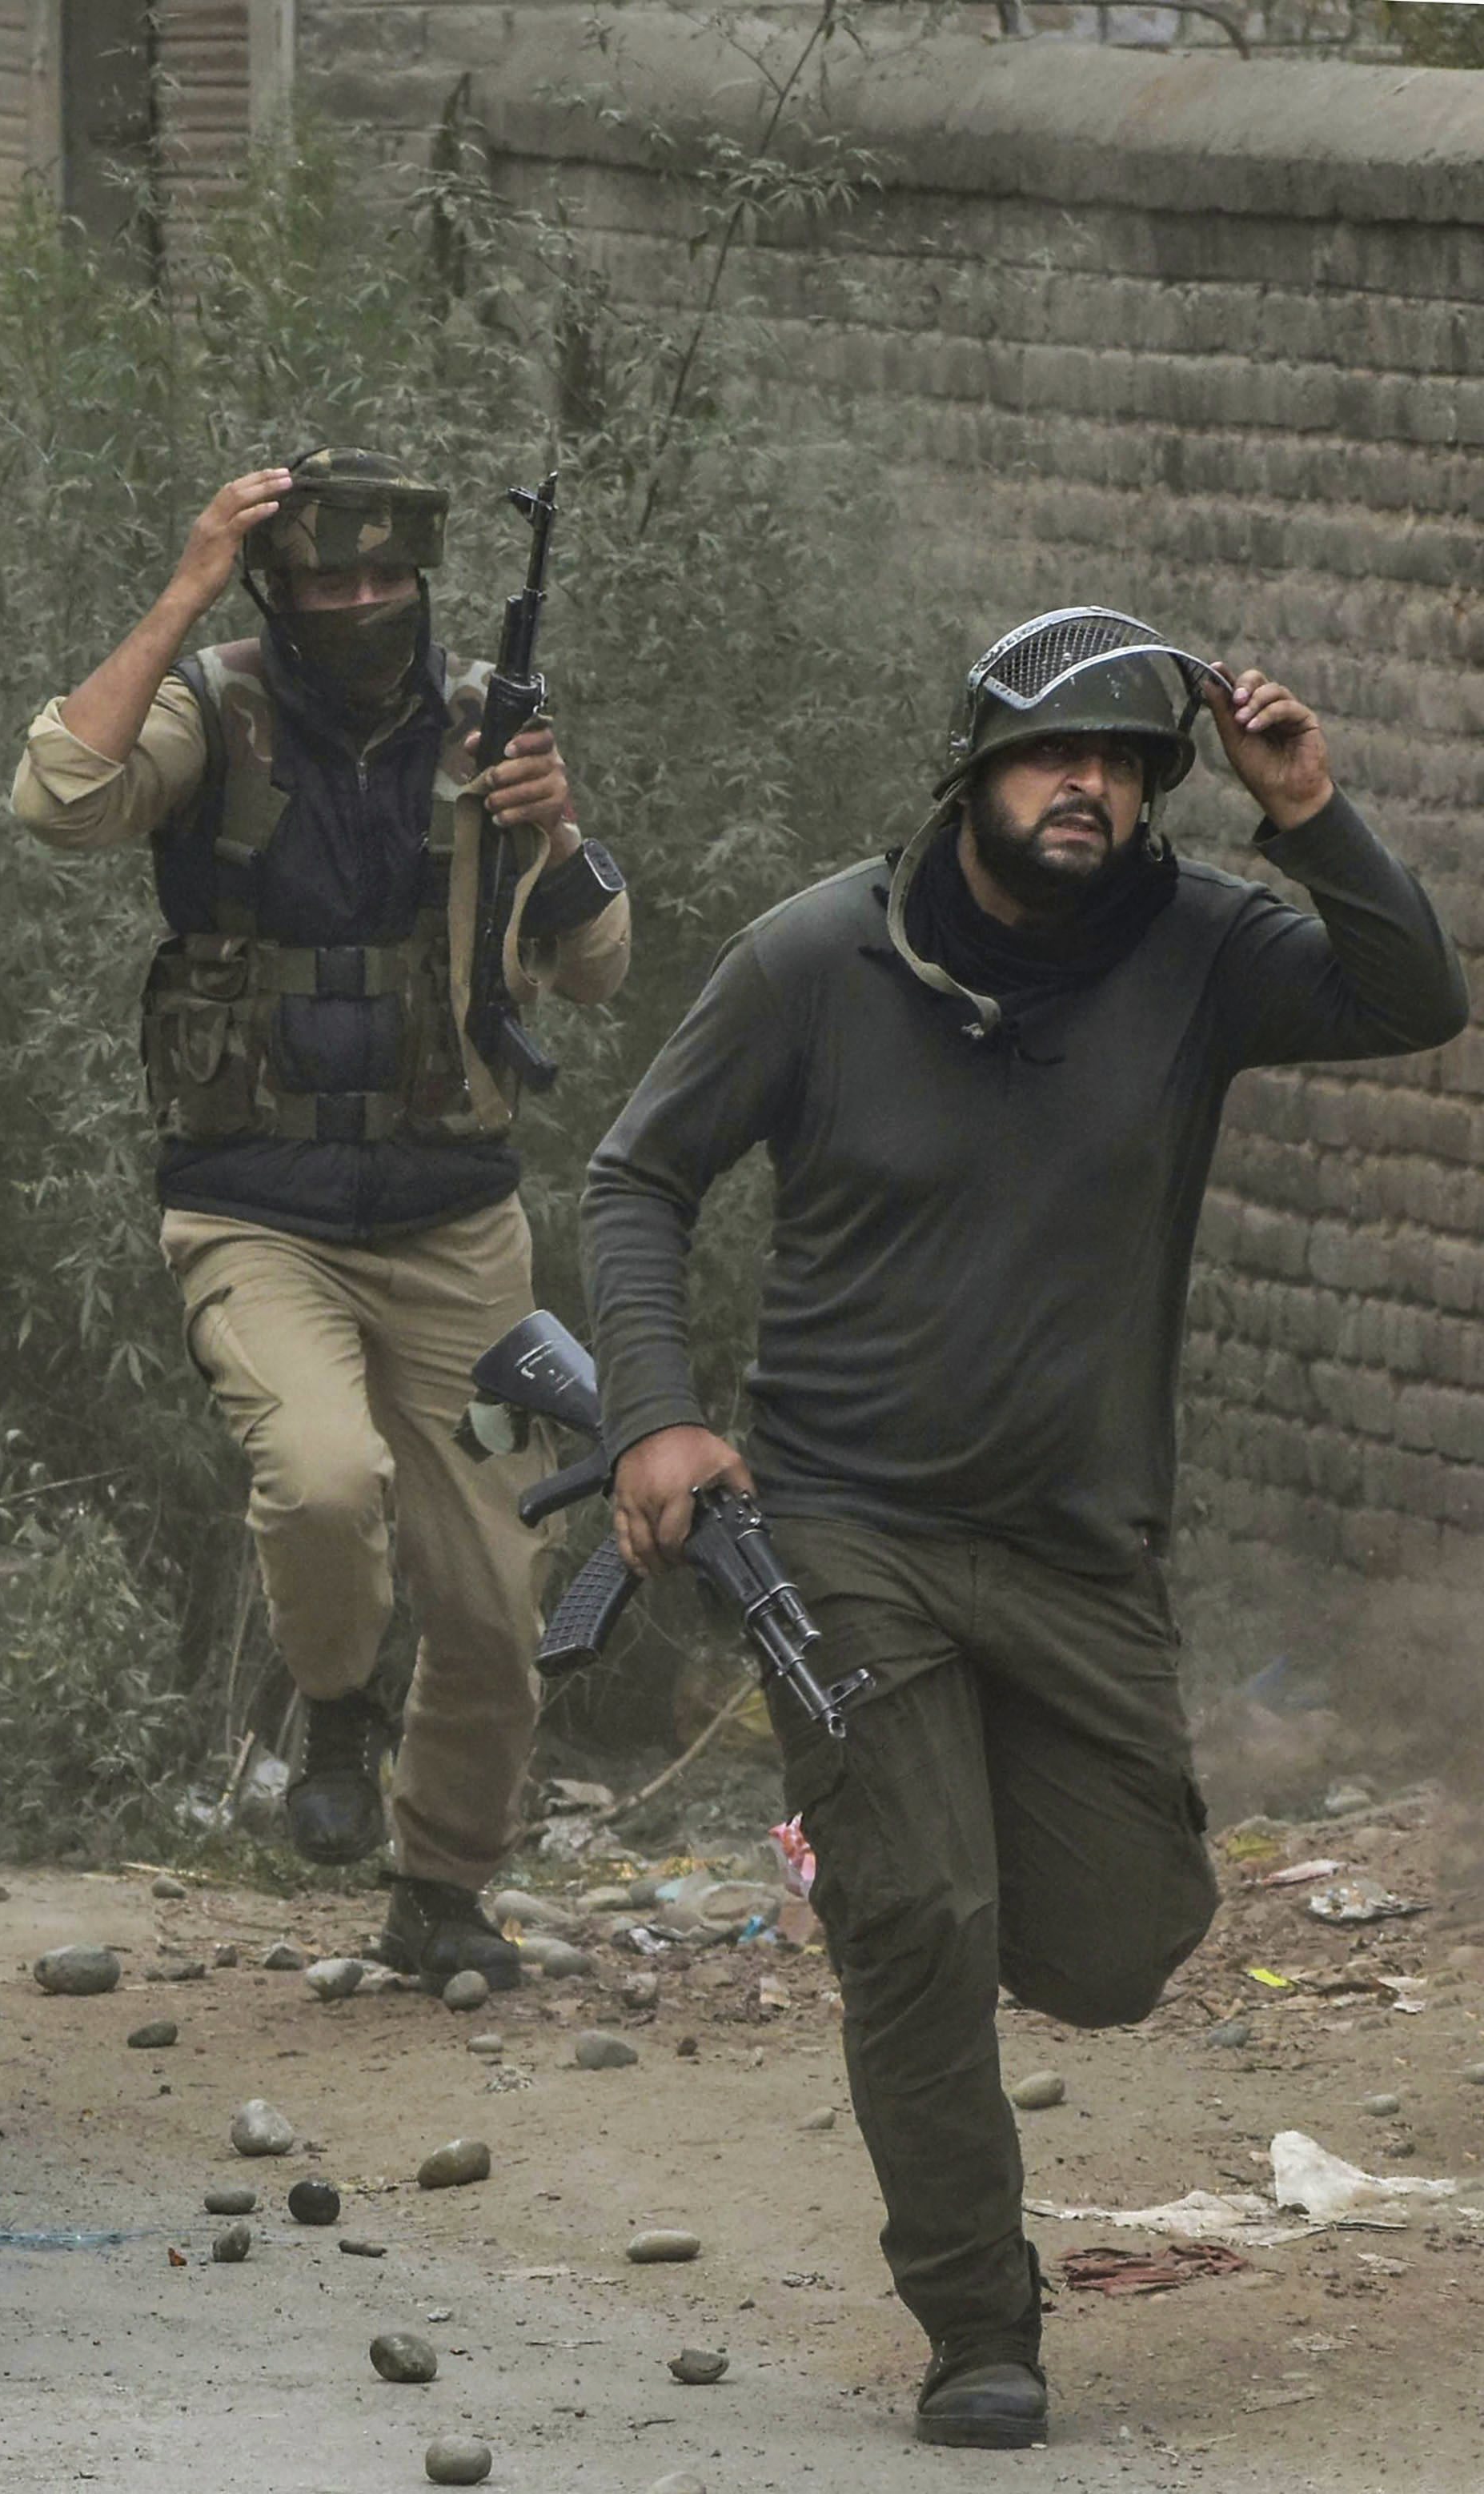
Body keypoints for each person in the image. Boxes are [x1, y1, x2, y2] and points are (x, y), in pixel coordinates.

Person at [581, 607, 1466, 2449]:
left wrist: (1303, 808)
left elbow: (1412, 997)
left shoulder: (1205, 953)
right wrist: (657, 1411)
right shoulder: (818, 958)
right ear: (972, 767)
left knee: (1122, 1943)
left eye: (1135, 768)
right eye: (1058, 754)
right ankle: (981, 2327)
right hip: (843, 1527)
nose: (1096, 789)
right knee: (925, 1912)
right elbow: (639, 1174)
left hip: (1078, 1551)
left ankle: (902, 1842)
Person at [9, 450, 630, 1979]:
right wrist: (186, 585)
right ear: (277, 593)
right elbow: (60, 795)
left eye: (384, 581)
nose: (358, 607)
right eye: (323, 582)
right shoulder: (214, 710)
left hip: (454, 1226)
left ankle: (441, 1892)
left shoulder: (490, 723)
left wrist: (554, 825)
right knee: (323, 1477)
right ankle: (336, 1704)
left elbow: (597, 965)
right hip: (256, 1212)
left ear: (421, 585)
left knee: (496, 1598)